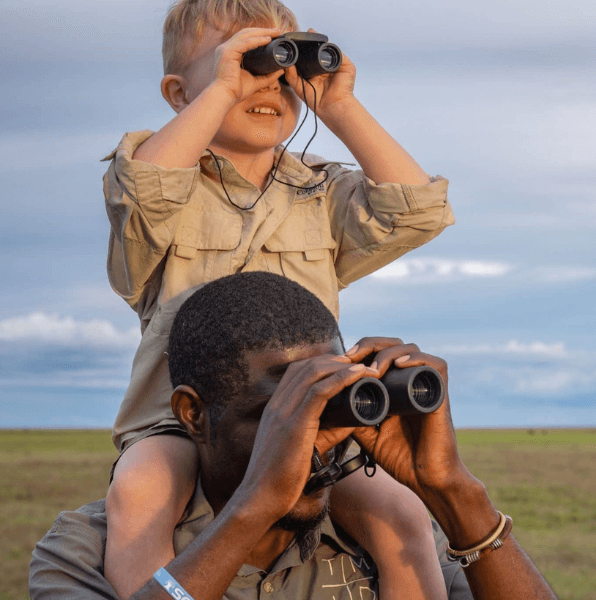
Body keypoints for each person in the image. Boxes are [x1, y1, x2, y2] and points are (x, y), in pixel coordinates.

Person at [102, 1, 455, 597]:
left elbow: (416, 211)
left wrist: (337, 104)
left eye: (283, 68)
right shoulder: (155, 179)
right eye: (242, 62)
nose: (268, 82)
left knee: (399, 512)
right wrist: (220, 87)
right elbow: (147, 190)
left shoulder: (320, 191)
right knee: (140, 491)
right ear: (177, 91)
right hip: (185, 421)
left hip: (308, 415)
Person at [30, 272, 558, 600]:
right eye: (278, 415)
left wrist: (454, 493)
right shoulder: (82, 551)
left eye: (326, 408)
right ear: (193, 414)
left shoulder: (399, 535)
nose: (313, 442)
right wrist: (255, 505)